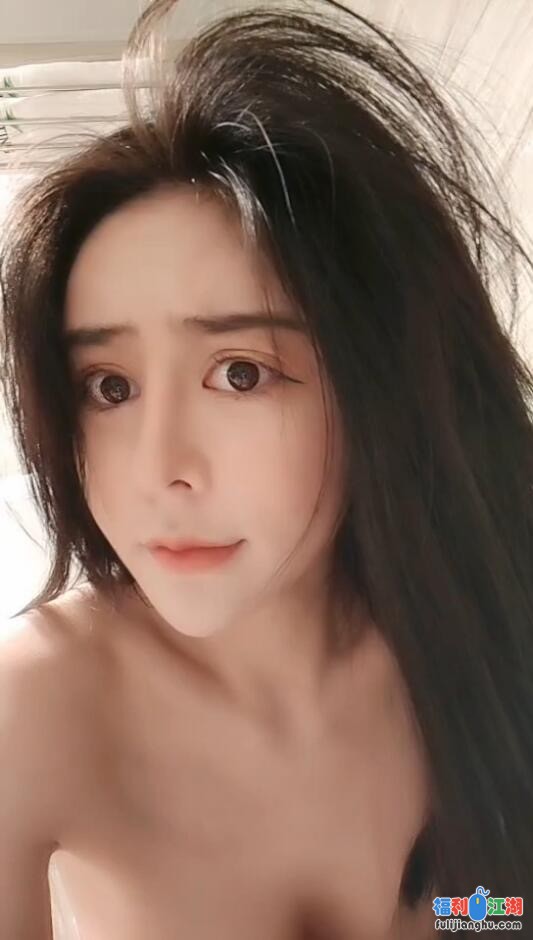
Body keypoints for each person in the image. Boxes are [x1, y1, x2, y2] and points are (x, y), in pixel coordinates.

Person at [1, 1, 532, 937]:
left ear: (381, 381)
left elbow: (490, 914)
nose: (159, 469)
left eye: (239, 373)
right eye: (109, 387)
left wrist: (465, 918)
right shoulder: (38, 710)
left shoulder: (479, 629)